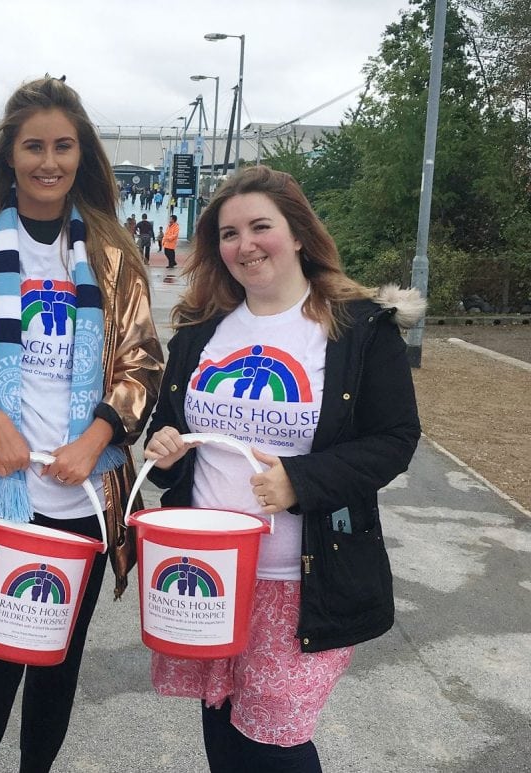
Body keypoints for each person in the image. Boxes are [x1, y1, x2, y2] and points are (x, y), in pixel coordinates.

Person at [142, 165, 424, 773]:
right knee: (221, 725)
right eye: (227, 233)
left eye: (260, 227)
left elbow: (396, 439)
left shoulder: (357, 329)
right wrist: (164, 449)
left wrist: (300, 480)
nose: (244, 245)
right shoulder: (200, 330)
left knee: (272, 742)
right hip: (208, 566)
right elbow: (170, 430)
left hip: (299, 579)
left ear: (297, 233)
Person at [0, 75, 163, 773]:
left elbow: (144, 364)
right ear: (9, 156)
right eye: (34, 146)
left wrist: (97, 438)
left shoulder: (113, 254)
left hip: (84, 499)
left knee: (56, 669)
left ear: (82, 155)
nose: (49, 161)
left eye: (63, 146)